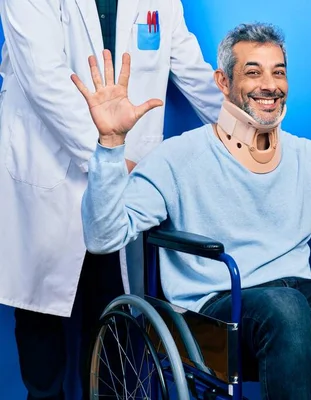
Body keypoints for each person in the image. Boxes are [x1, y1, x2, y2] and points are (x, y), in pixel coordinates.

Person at [74, 22, 311, 399]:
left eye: (278, 72)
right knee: (285, 306)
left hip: (300, 301)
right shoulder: (176, 158)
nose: (270, 85)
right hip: (217, 312)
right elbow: (103, 236)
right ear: (222, 82)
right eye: (253, 72)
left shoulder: (310, 158)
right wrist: (110, 144)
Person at [0, 0, 222, 398]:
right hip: (49, 171)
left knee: (112, 310)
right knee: (41, 320)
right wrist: (109, 154)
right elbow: (43, 81)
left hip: (122, 182)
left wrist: (249, 124)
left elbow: (193, 71)